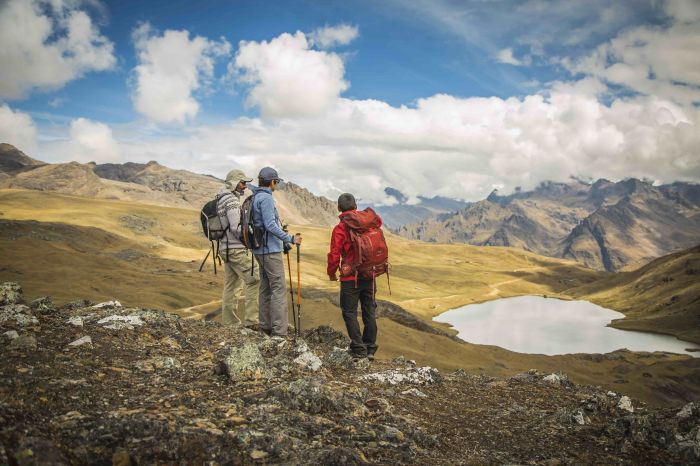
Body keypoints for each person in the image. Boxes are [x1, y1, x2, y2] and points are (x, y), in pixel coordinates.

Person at [327, 193, 380, 360]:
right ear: (356, 206)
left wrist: (331, 272)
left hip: (350, 278)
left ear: (338, 208)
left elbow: (334, 254)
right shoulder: (370, 223)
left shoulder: (340, 228)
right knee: (369, 311)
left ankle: (358, 349)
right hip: (370, 274)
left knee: (349, 312)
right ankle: (370, 347)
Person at [251, 167, 302, 337]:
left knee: (265, 288)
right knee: (278, 289)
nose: (277, 185)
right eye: (277, 181)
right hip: (270, 251)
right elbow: (270, 225)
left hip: (259, 249)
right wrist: (290, 239)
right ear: (272, 182)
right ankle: (280, 332)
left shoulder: (255, 196)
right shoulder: (265, 198)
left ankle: (265, 326)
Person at [217, 169, 260, 327]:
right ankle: (251, 321)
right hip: (235, 248)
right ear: (233, 182)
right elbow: (236, 227)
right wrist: (251, 235)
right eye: (242, 182)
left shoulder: (221, 198)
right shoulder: (232, 201)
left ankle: (230, 323)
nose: (244, 186)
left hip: (225, 248)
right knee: (255, 278)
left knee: (232, 285)